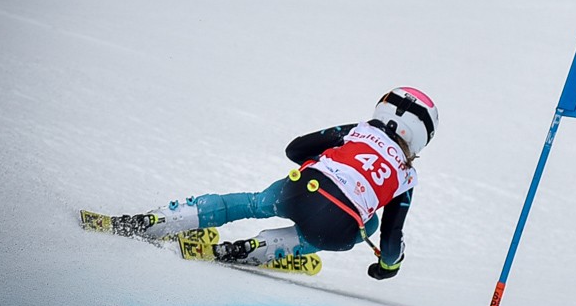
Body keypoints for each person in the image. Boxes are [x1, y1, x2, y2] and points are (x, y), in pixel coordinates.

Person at [109, 87, 438, 280]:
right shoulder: (407, 176)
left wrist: (329, 163)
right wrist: (388, 266)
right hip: (337, 227)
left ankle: (164, 219)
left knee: (254, 203)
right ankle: (262, 248)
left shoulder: (358, 130)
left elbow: (295, 149)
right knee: (371, 222)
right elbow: (391, 236)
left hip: (304, 189)